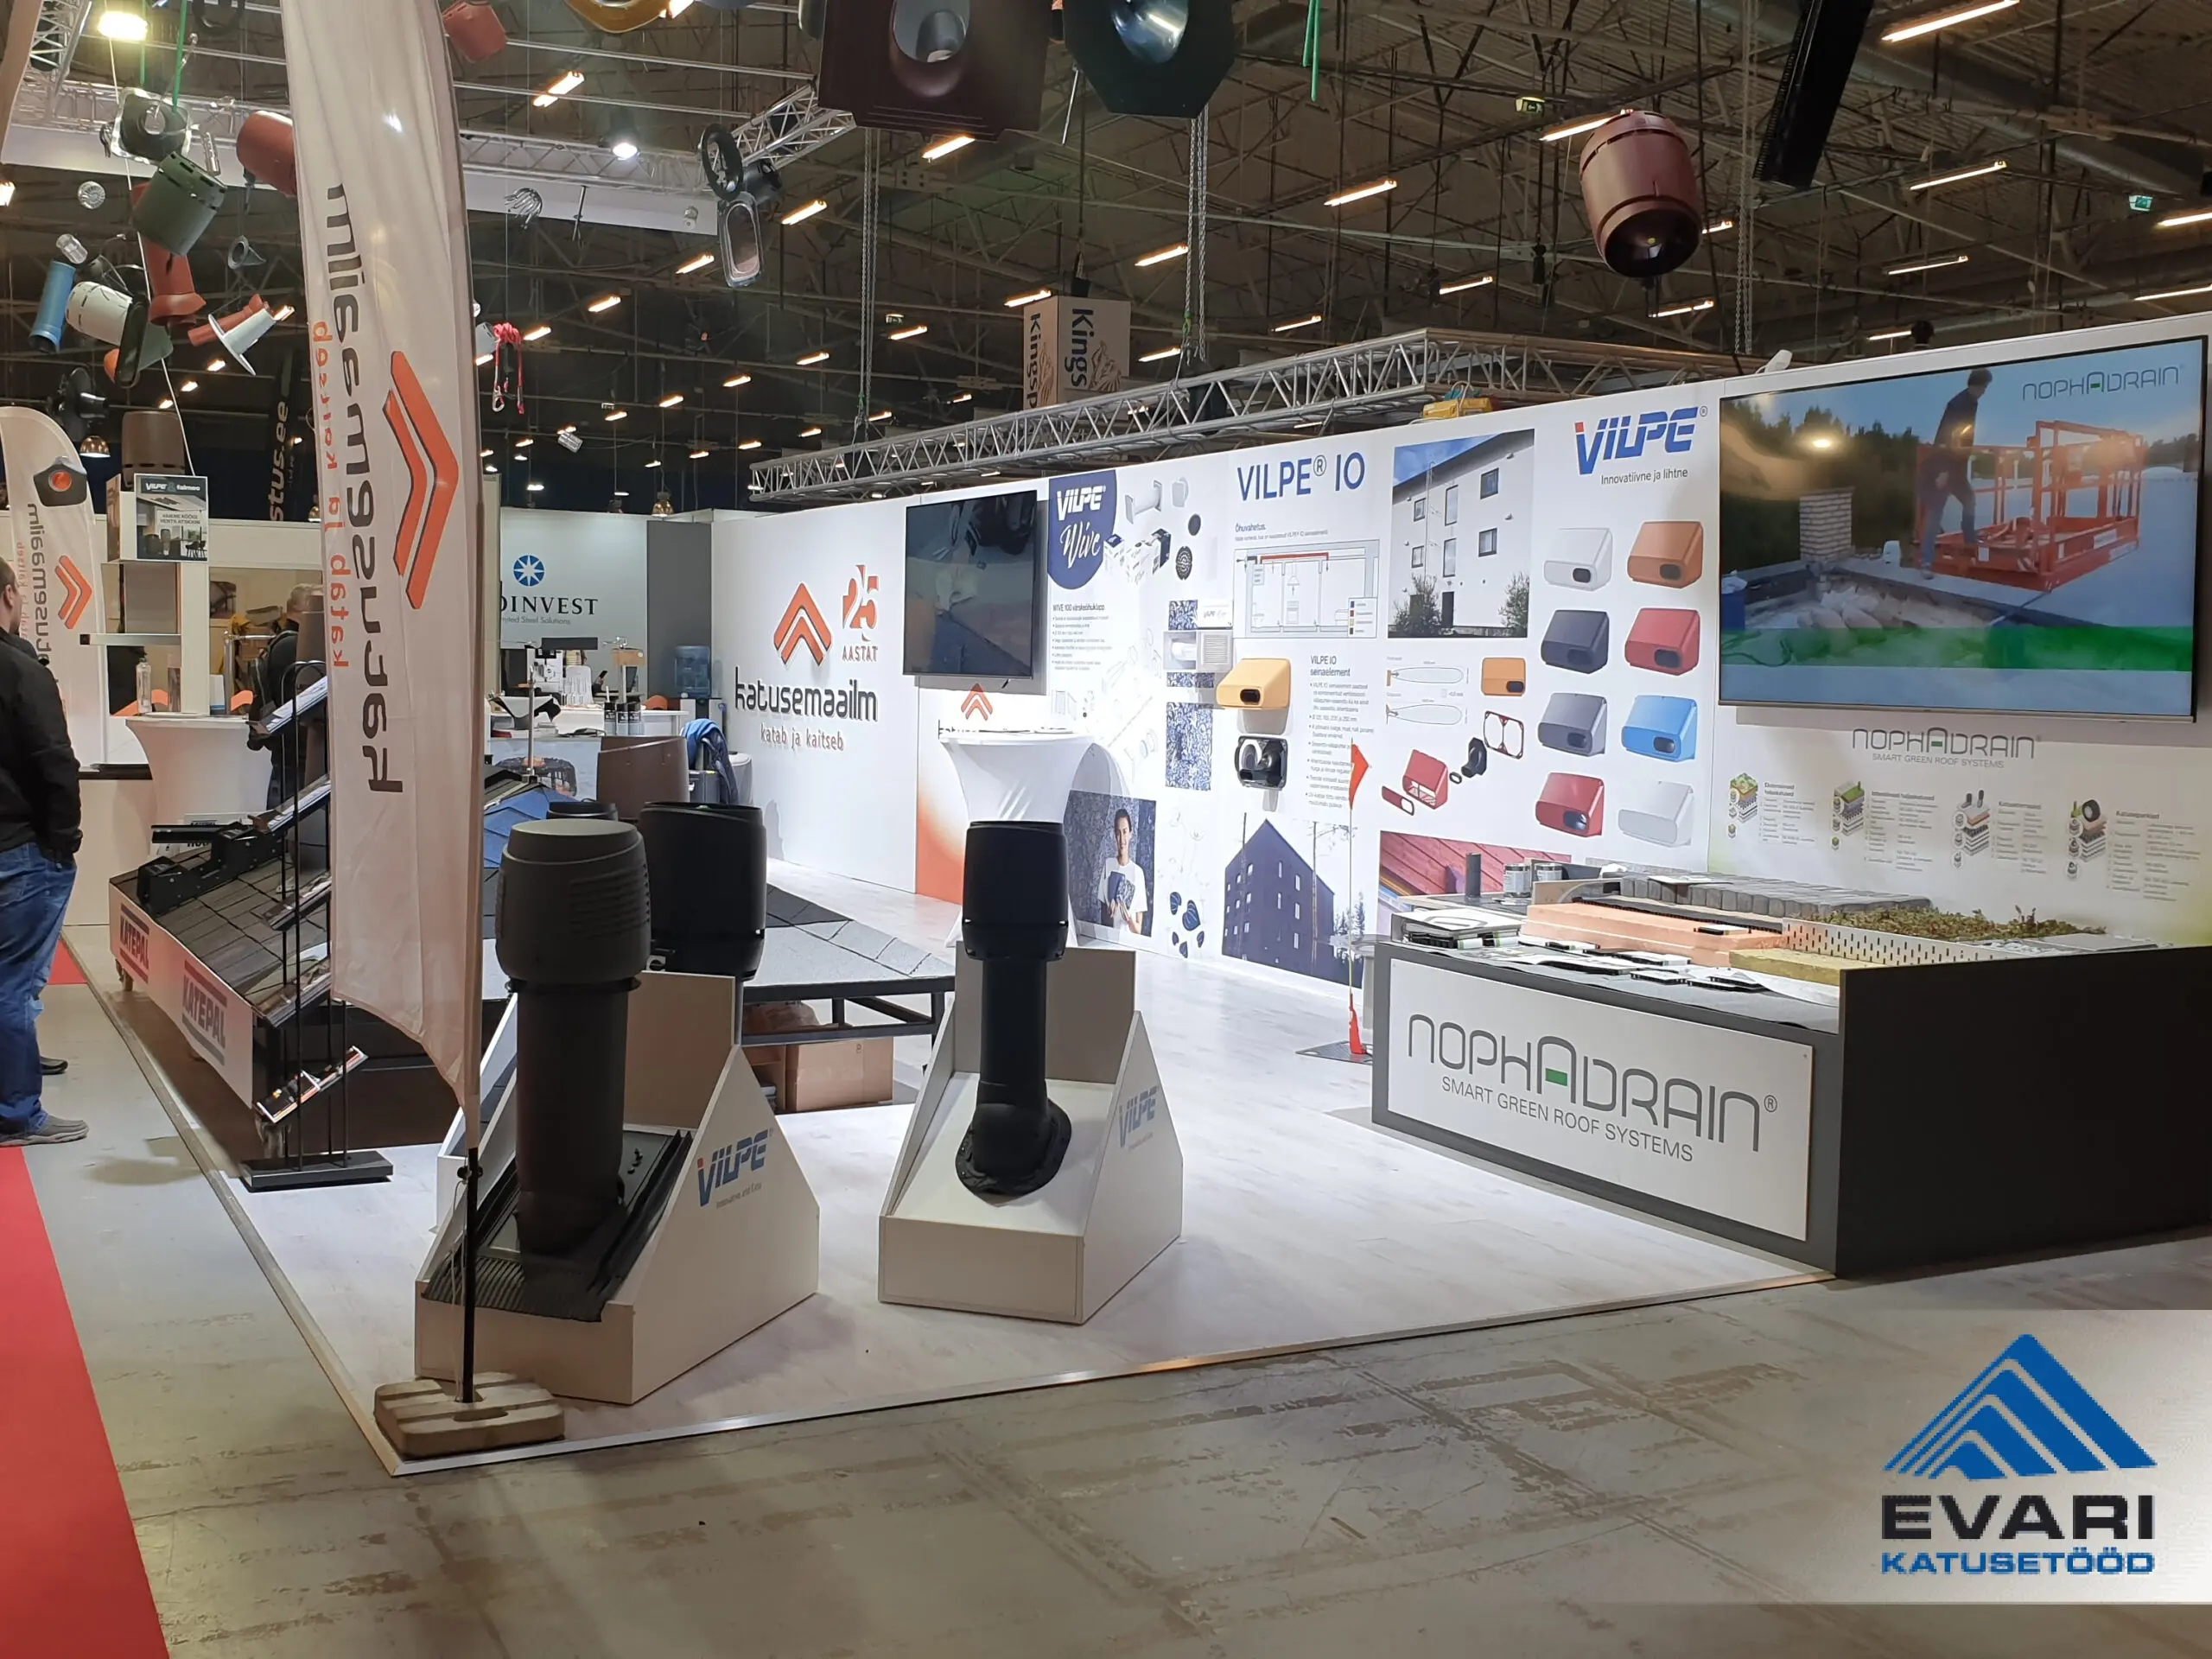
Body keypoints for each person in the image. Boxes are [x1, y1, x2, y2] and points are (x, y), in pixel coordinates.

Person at [0, 557, 85, 1147]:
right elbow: (55, 761)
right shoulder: (21, 670)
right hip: (21, 848)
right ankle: (16, 1112)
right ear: (10, 595)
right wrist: (63, 842)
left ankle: (16, 1074)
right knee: (13, 982)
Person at [1916, 367, 1992, 574]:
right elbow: (1944, 437)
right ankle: (1926, 562)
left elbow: (1962, 439)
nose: (1984, 392)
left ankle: (1970, 539)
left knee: (1969, 499)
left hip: (1955, 468)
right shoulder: (1958, 404)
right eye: (1984, 388)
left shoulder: (1972, 402)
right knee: (1936, 512)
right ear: (1976, 385)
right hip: (1943, 467)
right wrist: (1943, 470)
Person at [248, 584, 316, 808]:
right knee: (290, 812)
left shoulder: (283, 642)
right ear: (305, 609)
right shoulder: (293, 646)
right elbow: (291, 700)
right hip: (294, 750)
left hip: (288, 748)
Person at [1097, 807, 1148, 936]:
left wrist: (1129, 920)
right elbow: (1103, 921)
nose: (1122, 839)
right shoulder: (1108, 865)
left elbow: (1138, 930)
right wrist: (1110, 914)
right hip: (1109, 940)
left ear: (1130, 834)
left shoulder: (1138, 873)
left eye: (1125, 832)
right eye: (1118, 833)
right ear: (1115, 835)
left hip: (1128, 942)